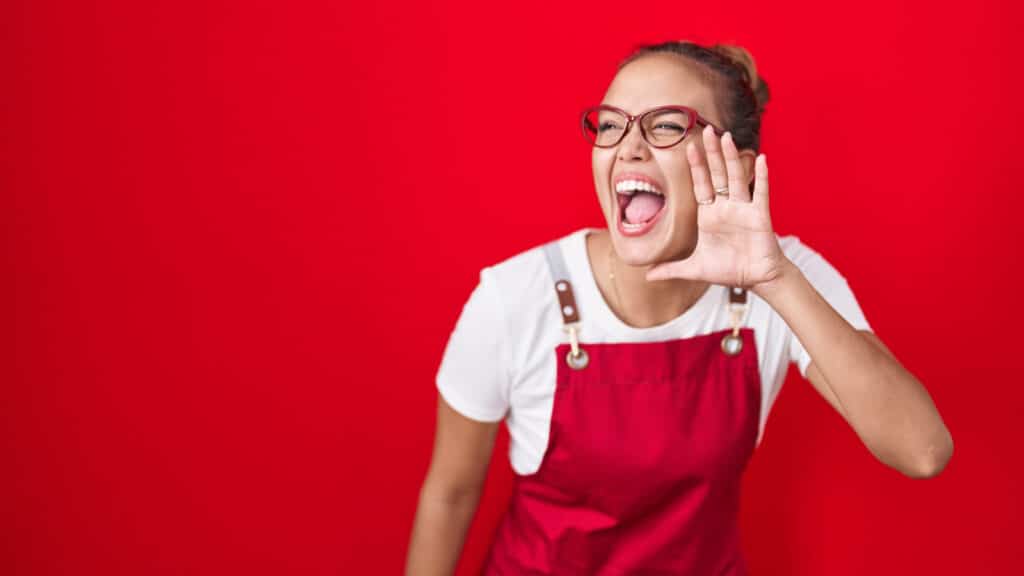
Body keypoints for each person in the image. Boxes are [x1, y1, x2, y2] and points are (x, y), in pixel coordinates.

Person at [404, 40, 953, 576]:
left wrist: (774, 279)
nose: (629, 147)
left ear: (734, 164)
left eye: (666, 125)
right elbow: (449, 495)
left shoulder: (782, 277)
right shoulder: (515, 297)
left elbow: (923, 450)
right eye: (612, 124)